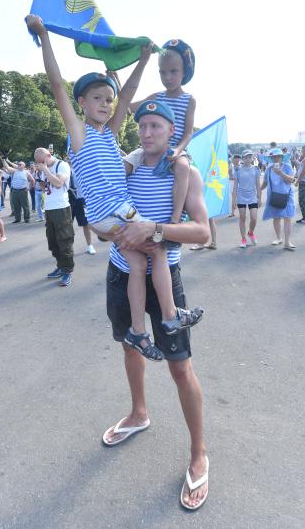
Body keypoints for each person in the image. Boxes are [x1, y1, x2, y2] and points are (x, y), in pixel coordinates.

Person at [26, 15, 202, 361]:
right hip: (112, 210)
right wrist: (45, 36)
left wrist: (143, 60)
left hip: (106, 214)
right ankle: (170, 317)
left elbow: (129, 95)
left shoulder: (109, 134)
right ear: (81, 105)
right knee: (160, 250)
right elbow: (58, 85)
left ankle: (138, 331)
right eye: (97, 99)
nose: (106, 104)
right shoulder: (80, 134)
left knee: (137, 263)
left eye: (108, 99)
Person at [102, 103, 210, 511]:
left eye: (156, 126)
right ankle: (138, 413)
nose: (147, 133)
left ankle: (199, 451)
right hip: (121, 273)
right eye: (142, 125)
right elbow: (100, 200)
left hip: (166, 280)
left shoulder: (185, 171)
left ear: (171, 130)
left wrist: (157, 228)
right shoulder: (124, 168)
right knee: (131, 346)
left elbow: (201, 230)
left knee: (180, 365)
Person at [127, 39, 196, 226]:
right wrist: (117, 81)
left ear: (184, 72)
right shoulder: (157, 97)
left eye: (173, 72)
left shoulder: (189, 100)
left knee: (182, 167)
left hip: (175, 150)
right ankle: (114, 212)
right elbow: (128, 107)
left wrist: (178, 150)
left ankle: (175, 217)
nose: (168, 77)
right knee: (123, 166)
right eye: (163, 72)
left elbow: (188, 132)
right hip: (149, 148)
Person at [33, 147, 74, 287]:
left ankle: (67, 270)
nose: (40, 164)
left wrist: (45, 170)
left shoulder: (62, 165)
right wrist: (40, 175)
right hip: (49, 208)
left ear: (49, 155)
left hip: (61, 208)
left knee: (65, 240)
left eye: (41, 161)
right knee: (53, 241)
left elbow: (58, 183)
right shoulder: (44, 169)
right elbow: (44, 187)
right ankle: (60, 266)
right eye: (37, 163)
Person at [261, 148, 296, 250]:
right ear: (271, 158)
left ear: (282, 157)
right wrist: (258, 191)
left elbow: (292, 180)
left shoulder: (287, 167)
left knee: (287, 218)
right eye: (273, 157)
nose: (276, 158)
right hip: (274, 196)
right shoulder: (268, 169)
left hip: (286, 196)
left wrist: (281, 173)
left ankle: (287, 241)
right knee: (276, 217)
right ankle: (278, 238)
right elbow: (265, 183)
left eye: (278, 156)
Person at [232, 149, 262, 247]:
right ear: (243, 158)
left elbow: (258, 184)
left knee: (254, 218)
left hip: (252, 196)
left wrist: (259, 198)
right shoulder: (237, 170)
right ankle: (243, 239)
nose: (248, 158)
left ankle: (251, 233)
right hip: (241, 196)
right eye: (246, 157)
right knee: (242, 217)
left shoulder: (256, 169)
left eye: (250, 156)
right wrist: (234, 200)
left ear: (252, 158)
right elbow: (235, 186)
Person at [68, 169, 96, 254]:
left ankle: (90, 245)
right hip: (68, 200)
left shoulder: (81, 169)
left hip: (81, 199)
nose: (69, 157)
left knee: (85, 223)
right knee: (68, 225)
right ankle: (68, 248)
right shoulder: (64, 169)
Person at [1, 159, 35, 223]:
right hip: (14, 191)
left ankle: (27, 218)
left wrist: (29, 188)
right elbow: (6, 167)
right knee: (16, 206)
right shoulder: (14, 171)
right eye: (18, 164)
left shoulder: (26, 172)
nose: (18, 165)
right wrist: (3, 160)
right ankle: (17, 219)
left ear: (23, 166)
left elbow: (32, 180)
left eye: (20, 164)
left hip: (23, 191)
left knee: (25, 205)